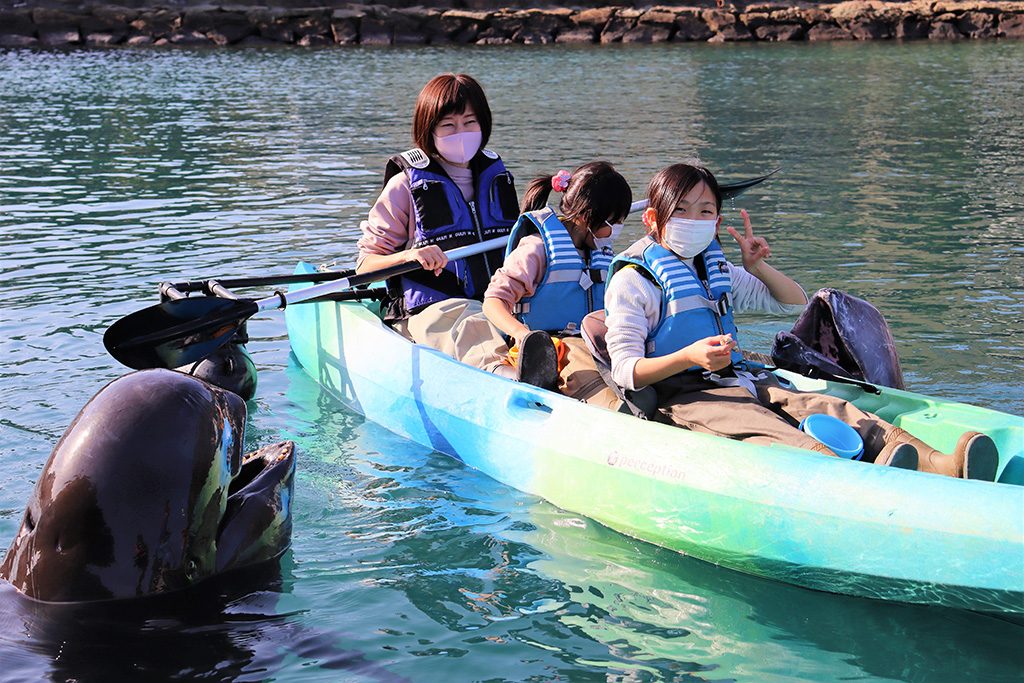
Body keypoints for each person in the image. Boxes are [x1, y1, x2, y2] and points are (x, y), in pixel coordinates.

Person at [602, 162, 998, 480]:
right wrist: (689, 355)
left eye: (705, 211)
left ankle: (940, 463)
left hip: (744, 379)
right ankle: (859, 481)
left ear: (717, 222)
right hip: (686, 396)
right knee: (766, 428)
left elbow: (792, 302)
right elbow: (626, 371)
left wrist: (759, 268)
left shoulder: (713, 267)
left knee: (825, 406)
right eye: (681, 211)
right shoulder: (633, 281)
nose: (694, 219)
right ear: (653, 219)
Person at [355, 73, 519, 368]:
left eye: (470, 123)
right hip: (435, 312)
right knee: (470, 319)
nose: (461, 133)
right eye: (448, 125)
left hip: (499, 304)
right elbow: (365, 265)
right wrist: (410, 255)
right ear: (428, 131)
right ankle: (505, 374)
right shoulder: (404, 186)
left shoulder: (499, 179)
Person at [481, 162, 632, 403]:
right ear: (585, 217)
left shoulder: (601, 251)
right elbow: (493, 302)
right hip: (550, 347)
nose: (617, 230)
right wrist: (522, 334)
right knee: (603, 388)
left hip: (592, 345)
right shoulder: (536, 249)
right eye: (613, 223)